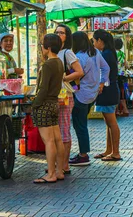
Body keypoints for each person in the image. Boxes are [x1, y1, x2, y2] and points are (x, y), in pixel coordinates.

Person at [69, 31, 109, 166]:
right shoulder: (96, 53)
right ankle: (83, 153)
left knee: (80, 125)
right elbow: (106, 68)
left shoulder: (79, 57)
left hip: (80, 94)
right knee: (82, 124)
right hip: (92, 94)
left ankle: (83, 155)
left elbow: (76, 76)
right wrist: (102, 82)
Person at [32, 33, 66, 184]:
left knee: (49, 141)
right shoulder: (59, 62)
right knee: (57, 139)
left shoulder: (47, 65)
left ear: (48, 47)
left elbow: (43, 88)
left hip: (45, 104)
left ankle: (51, 173)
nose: (42, 47)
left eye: (43, 44)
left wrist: (35, 104)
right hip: (54, 104)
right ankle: (59, 171)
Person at [55, 24, 84, 173]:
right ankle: (59, 164)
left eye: (62, 33)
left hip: (65, 95)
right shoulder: (55, 52)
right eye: (57, 32)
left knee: (64, 129)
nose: (59, 35)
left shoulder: (67, 52)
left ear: (67, 37)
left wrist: (64, 77)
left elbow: (79, 72)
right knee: (57, 131)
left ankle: (64, 165)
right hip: (54, 96)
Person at [92, 29, 122, 162]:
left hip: (108, 90)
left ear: (100, 41)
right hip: (109, 90)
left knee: (112, 122)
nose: (93, 43)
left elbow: (104, 72)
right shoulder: (107, 52)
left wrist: (101, 84)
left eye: (94, 41)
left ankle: (116, 152)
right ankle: (109, 150)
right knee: (108, 122)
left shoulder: (106, 54)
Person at [114, 38, 129, 117]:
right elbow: (126, 65)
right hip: (123, 75)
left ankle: (116, 111)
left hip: (116, 75)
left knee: (116, 93)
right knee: (122, 93)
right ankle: (125, 109)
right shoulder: (123, 53)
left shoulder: (113, 53)